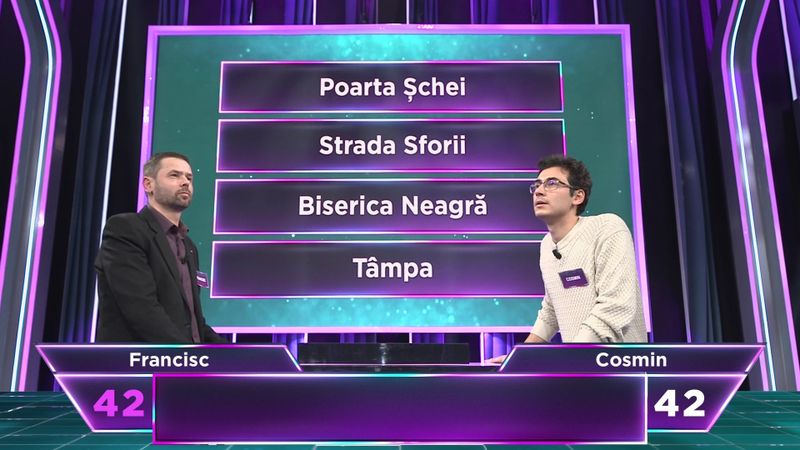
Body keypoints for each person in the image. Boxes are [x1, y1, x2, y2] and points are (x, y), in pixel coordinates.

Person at [489, 156, 646, 362]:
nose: (539, 191)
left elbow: (615, 306)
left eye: (552, 184)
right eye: (537, 185)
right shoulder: (547, 245)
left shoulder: (607, 228)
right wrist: (520, 358)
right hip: (578, 367)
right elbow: (550, 312)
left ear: (577, 196)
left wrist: (569, 356)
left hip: (619, 366)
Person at [95, 152, 227, 343]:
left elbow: (193, 321)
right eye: (174, 175)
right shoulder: (126, 229)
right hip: (140, 358)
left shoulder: (188, 246)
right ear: (148, 184)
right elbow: (141, 309)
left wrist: (232, 353)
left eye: (189, 178)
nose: (185, 182)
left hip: (183, 359)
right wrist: (186, 354)